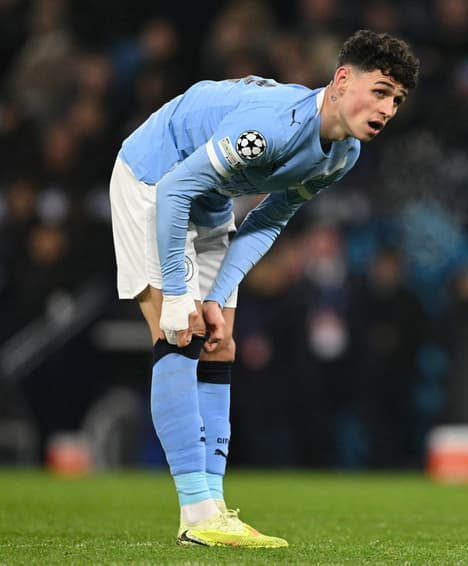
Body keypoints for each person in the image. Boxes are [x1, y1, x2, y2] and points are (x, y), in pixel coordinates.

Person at [108, 29, 418, 548]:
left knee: (219, 339)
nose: (388, 108)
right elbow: (175, 189)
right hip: (153, 179)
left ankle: (212, 509)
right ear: (342, 81)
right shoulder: (272, 128)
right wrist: (182, 294)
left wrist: (217, 296)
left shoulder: (343, 155)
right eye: (382, 90)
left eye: (398, 100)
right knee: (179, 331)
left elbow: (270, 219)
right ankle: (194, 513)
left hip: (208, 198)